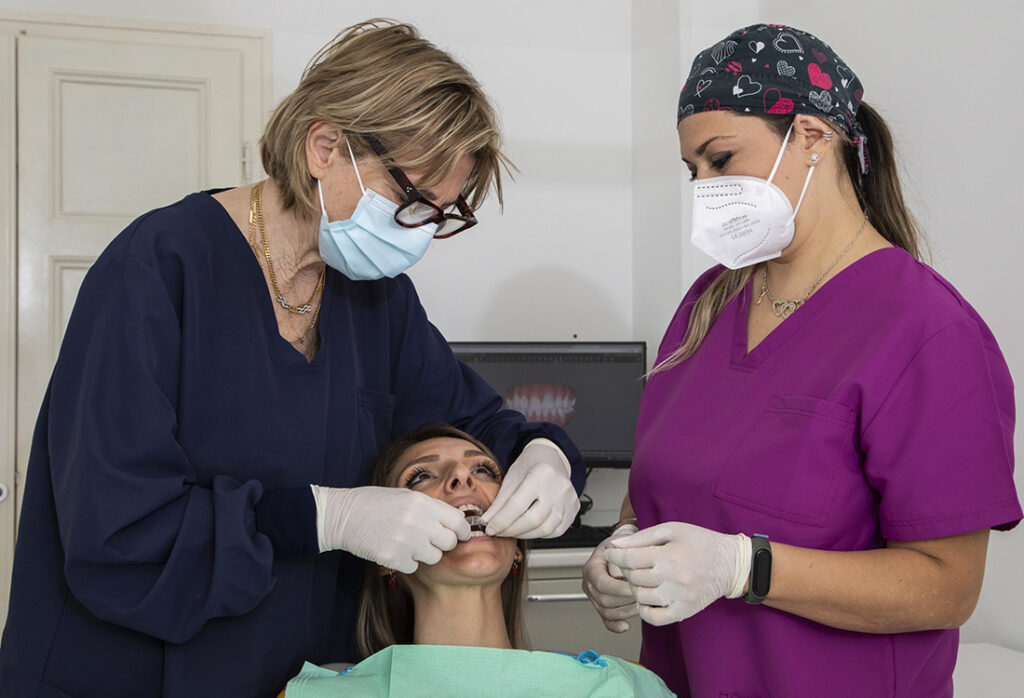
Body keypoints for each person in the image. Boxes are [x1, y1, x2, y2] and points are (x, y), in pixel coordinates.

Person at [0, 19, 584, 696]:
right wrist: (322, 517)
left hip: (300, 674)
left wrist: (547, 454)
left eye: (445, 213)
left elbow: (472, 427)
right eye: (413, 201)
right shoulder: (160, 270)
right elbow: (117, 530)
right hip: (131, 668)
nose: (424, 233)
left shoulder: (376, 301)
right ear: (326, 146)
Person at [582, 23, 1021, 698]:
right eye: (691, 170)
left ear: (813, 136)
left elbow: (945, 587)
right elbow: (660, 494)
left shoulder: (926, 330)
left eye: (720, 160)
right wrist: (624, 551)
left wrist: (744, 568)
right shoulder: (706, 308)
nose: (704, 187)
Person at [281, 424, 674, 697]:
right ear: (384, 554)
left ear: (518, 545)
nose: (461, 478)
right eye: (420, 477)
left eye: (484, 470)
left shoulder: (623, 688)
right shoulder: (317, 695)